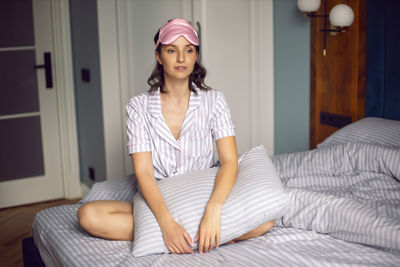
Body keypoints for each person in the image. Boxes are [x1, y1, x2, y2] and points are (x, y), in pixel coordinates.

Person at [77, 18, 274, 254]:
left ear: (195, 56)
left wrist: (213, 210)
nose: (181, 58)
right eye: (172, 50)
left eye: (188, 50)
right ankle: (206, 236)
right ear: (159, 56)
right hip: (161, 199)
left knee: (266, 221)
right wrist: (167, 224)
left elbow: (230, 162)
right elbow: (144, 172)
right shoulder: (137, 107)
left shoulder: (215, 101)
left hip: (204, 196)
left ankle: (198, 232)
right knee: (88, 215)